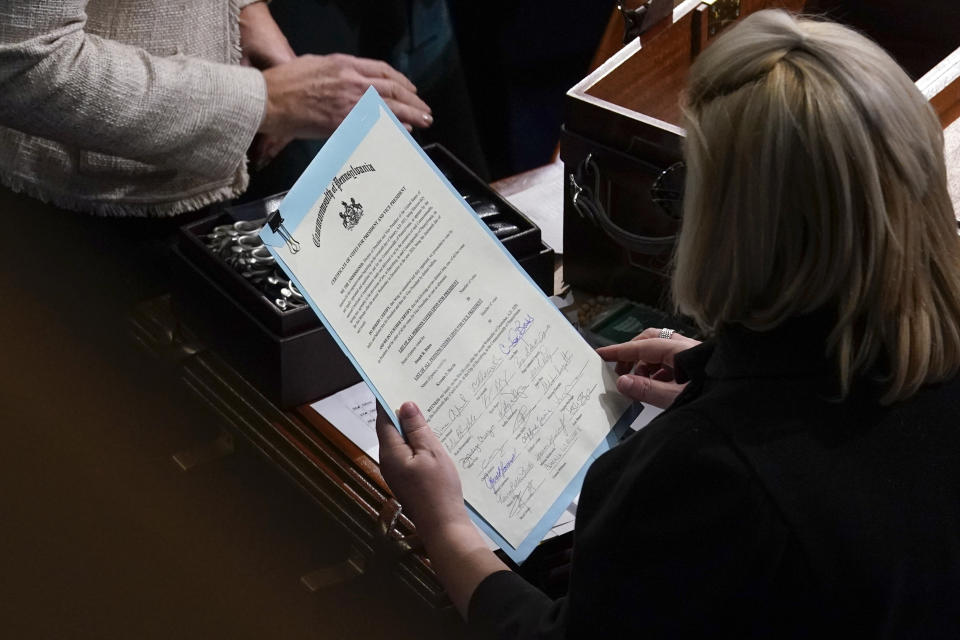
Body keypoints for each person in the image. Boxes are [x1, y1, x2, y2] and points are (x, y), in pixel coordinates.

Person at [374, 9, 960, 637]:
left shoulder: (703, 479)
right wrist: (722, 374)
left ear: (735, 230)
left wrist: (445, 527)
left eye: (686, 187)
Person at [0, 0, 432, 216]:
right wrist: (266, 99)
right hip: (92, 211)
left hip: (234, 153)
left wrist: (244, 9)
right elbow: (22, 64)